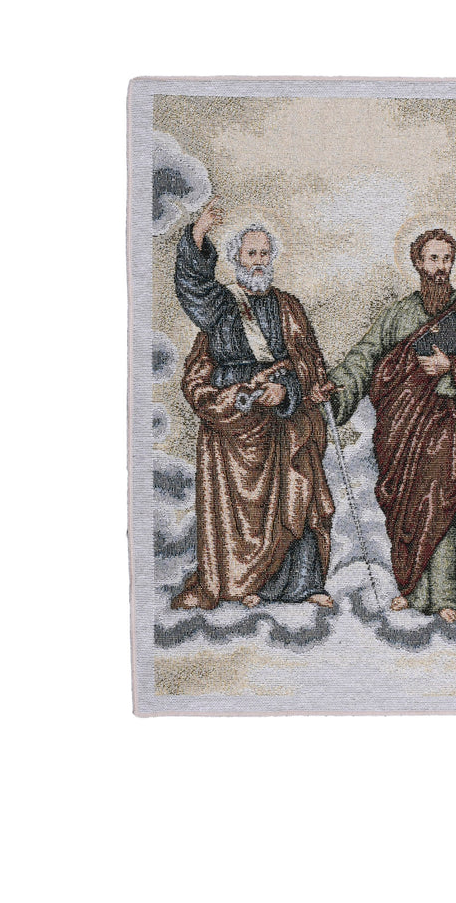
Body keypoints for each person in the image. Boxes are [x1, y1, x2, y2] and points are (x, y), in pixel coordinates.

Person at [328, 229, 456, 622]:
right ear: (417, 263)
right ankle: (411, 591)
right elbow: (366, 354)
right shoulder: (399, 313)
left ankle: (448, 596)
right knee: (411, 512)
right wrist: (337, 387)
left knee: (444, 502)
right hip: (404, 432)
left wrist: (453, 367)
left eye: (447, 259)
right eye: (433, 259)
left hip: (453, 427)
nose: (441, 268)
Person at [170, 199, 336, 611]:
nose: (259, 261)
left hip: (283, 422)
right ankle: (247, 584)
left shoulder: (288, 306)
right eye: (251, 254)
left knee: (296, 496)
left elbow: (309, 360)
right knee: (245, 513)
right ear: (236, 259)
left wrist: (288, 390)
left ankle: (303, 584)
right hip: (237, 424)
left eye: (264, 253)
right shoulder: (220, 305)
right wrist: (198, 235)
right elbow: (192, 290)